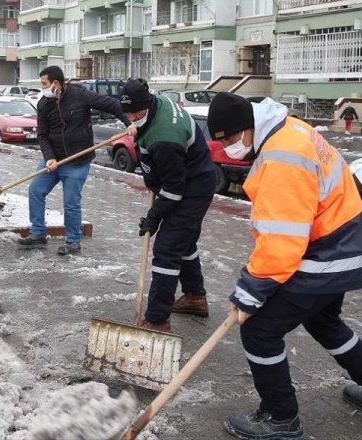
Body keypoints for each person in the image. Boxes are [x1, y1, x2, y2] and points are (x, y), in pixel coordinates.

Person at [207, 93, 362, 440]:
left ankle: (280, 417)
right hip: (343, 244)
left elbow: (283, 240)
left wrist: (250, 290)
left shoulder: (280, 157)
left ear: (247, 128)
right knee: (325, 322)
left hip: (325, 255)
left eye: (228, 138)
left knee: (260, 331)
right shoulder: (288, 128)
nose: (227, 147)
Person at [120, 79, 217, 332]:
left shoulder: (166, 136)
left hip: (192, 188)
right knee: (183, 241)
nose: (132, 117)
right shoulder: (155, 105)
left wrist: (154, 217)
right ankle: (195, 297)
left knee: (167, 247)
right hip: (183, 179)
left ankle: (157, 320)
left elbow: (174, 190)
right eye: (128, 113)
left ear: (148, 105)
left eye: (136, 114)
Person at [19, 65, 136, 255]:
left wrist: (127, 123)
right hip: (54, 161)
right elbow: (42, 135)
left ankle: (73, 241)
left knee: (71, 201)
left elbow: (112, 105)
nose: (42, 88)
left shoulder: (80, 95)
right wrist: (49, 158)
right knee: (35, 190)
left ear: (56, 83)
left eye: (44, 84)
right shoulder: (43, 105)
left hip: (77, 161)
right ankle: (38, 233)